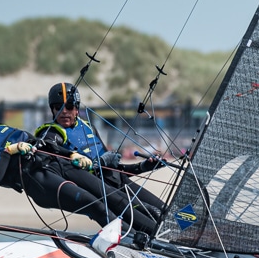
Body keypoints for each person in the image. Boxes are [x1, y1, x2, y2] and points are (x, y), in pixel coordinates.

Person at [0, 103, 157, 235]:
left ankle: (154, 233)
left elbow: (37, 141)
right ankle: (134, 242)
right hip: (38, 181)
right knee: (97, 206)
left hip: (56, 164)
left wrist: (72, 155)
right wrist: (8, 152)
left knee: (111, 196)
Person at [34, 82, 166, 222]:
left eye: (69, 106)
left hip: (121, 182)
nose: (64, 111)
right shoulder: (51, 133)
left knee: (166, 211)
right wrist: (97, 163)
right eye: (58, 107)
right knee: (153, 215)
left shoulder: (88, 127)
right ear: (52, 110)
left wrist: (142, 167)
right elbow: (49, 148)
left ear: (77, 108)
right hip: (102, 193)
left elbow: (114, 169)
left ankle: (188, 239)